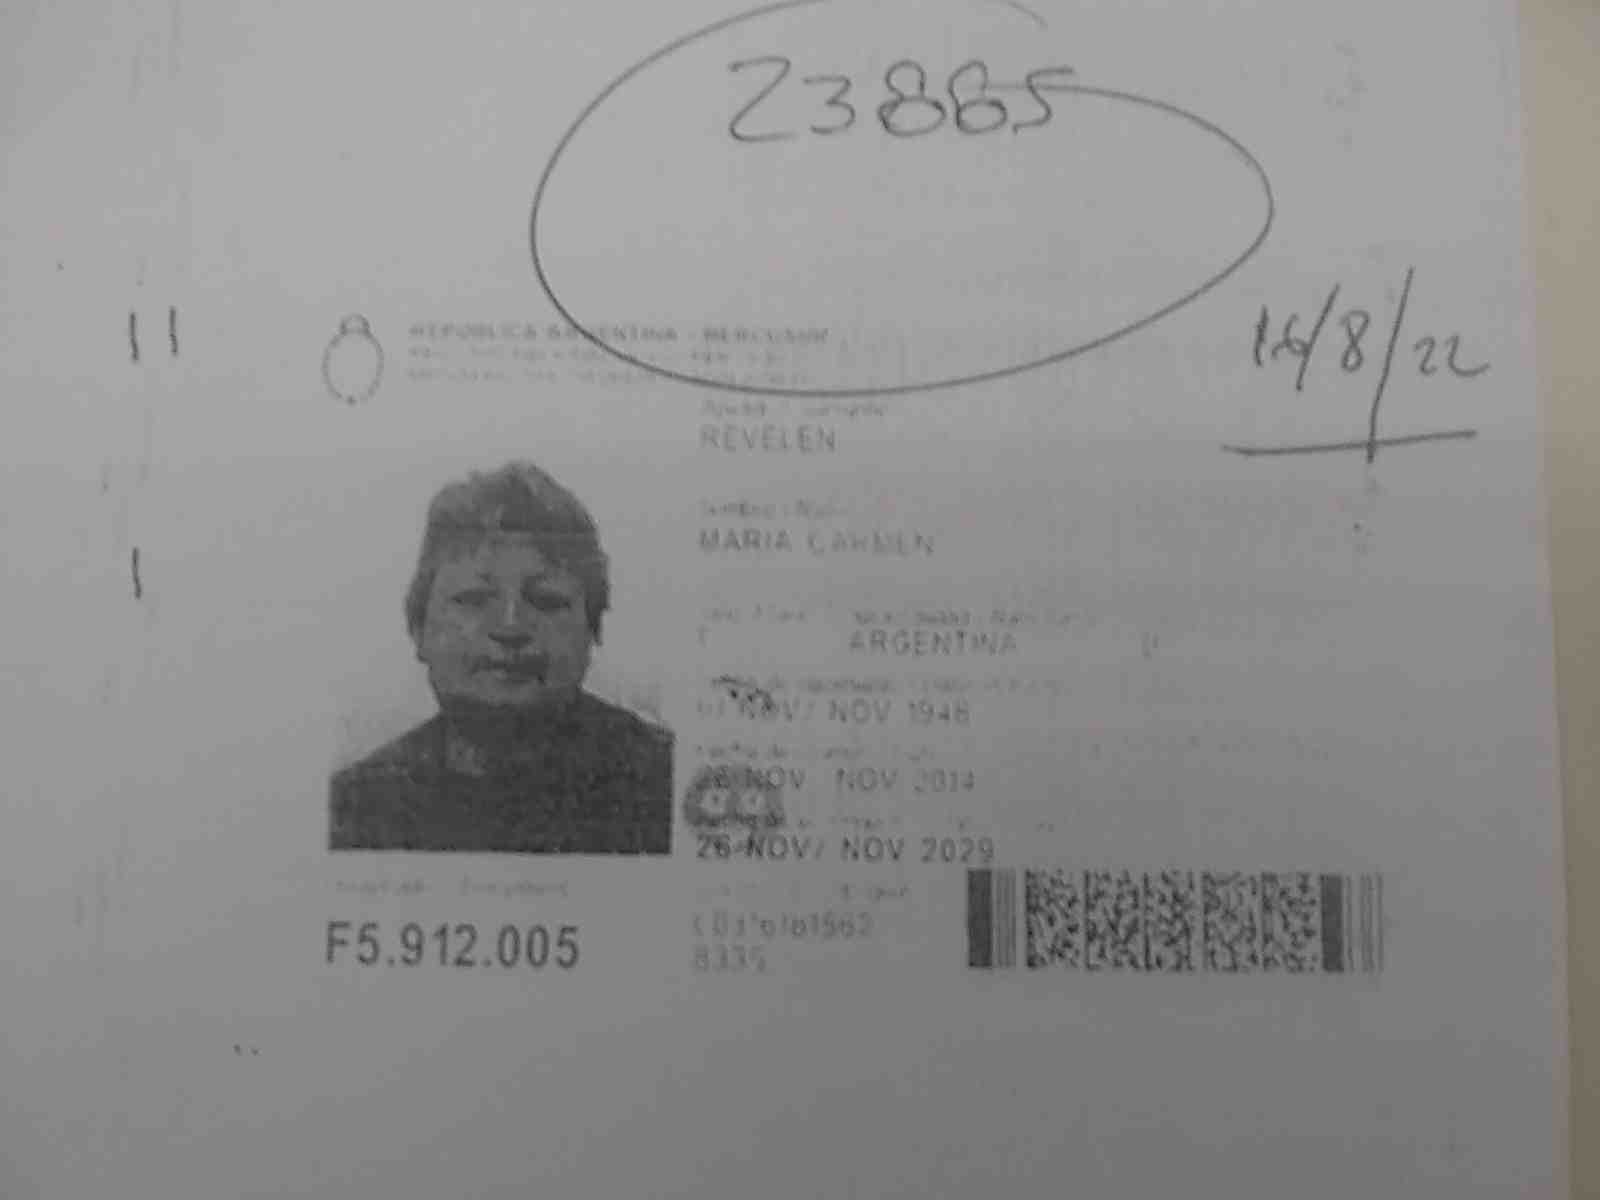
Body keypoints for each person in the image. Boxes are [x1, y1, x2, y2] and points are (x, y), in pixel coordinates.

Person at [330, 461, 673, 854]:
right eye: (473, 599)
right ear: (418, 629)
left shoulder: (665, 784)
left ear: (593, 629)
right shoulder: (358, 804)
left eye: (546, 600)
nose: (510, 627)